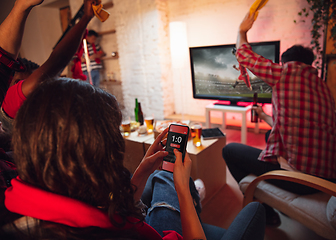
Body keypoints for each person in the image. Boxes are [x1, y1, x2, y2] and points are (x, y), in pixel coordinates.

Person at [1, 79, 265, 239]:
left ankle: (186, 190)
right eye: (114, 133)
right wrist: (183, 191)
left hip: (130, 218)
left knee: (161, 174)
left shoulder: (24, 202)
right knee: (254, 210)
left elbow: (106, 209)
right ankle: (192, 196)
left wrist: (142, 168)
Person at [222, 12, 336, 226]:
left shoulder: (285, 73)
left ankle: (267, 213)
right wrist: (263, 116)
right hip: (331, 178)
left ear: (285, 64)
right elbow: (294, 124)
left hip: (303, 180)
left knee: (229, 151)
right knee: (271, 134)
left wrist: (242, 30)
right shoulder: (322, 86)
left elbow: (245, 56)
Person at [0, 0, 99, 135]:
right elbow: (55, 63)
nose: (42, 92)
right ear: (17, 83)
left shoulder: (36, 113)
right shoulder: (10, 100)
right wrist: (85, 19)